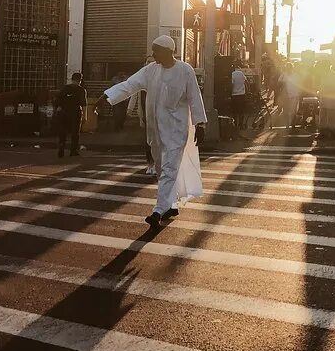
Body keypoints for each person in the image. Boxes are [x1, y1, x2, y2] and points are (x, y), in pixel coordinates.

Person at [98, 35, 206, 228]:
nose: (153, 54)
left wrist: (200, 123)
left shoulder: (185, 70)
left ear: (167, 52)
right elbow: (130, 85)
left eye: (156, 50)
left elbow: (194, 98)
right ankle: (171, 204)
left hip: (176, 130)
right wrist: (107, 96)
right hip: (155, 130)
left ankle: (158, 211)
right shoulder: (150, 70)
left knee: (169, 169)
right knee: (160, 167)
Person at [54, 72, 87, 158]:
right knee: (75, 132)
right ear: (80, 80)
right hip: (75, 113)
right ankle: (73, 150)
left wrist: (58, 109)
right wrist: (84, 116)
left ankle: (61, 148)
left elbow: (58, 100)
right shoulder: (81, 90)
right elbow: (83, 104)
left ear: (71, 79)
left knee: (62, 132)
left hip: (63, 113)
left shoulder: (65, 88)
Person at [278, 64, 299, 130]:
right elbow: (278, 84)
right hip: (285, 95)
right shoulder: (283, 75)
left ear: (292, 68)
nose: (288, 69)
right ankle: (287, 124)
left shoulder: (295, 75)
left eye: (290, 68)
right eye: (287, 68)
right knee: (286, 111)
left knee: (293, 111)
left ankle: (293, 124)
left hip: (294, 95)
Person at [230, 61, 248, 133]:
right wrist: (247, 91)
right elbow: (246, 82)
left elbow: (231, 84)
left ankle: (235, 125)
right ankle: (241, 124)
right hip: (242, 94)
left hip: (234, 95)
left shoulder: (232, 75)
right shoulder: (241, 73)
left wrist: (230, 92)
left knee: (235, 111)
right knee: (241, 111)